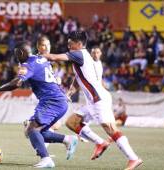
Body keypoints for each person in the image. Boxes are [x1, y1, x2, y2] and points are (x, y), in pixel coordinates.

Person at [42, 31, 142, 170]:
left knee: (111, 129)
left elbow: (53, 57)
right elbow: (78, 77)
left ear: (79, 44)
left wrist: (35, 56)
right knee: (72, 122)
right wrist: (71, 91)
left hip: (98, 99)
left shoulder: (79, 53)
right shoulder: (81, 57)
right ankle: (100, 143)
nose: (68, 46)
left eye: (70, 43)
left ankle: (134, 158)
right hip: (93, 100)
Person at [0, 41, 78, 168]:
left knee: (32, 129)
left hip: (51, 101)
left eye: (16, 54)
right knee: (40, 132)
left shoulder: (28, 64)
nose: (16, 57)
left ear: (20, 53)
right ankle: (67, 139)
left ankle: (46, 159)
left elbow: (17, 83)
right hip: (59, 100)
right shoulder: (39, 58)